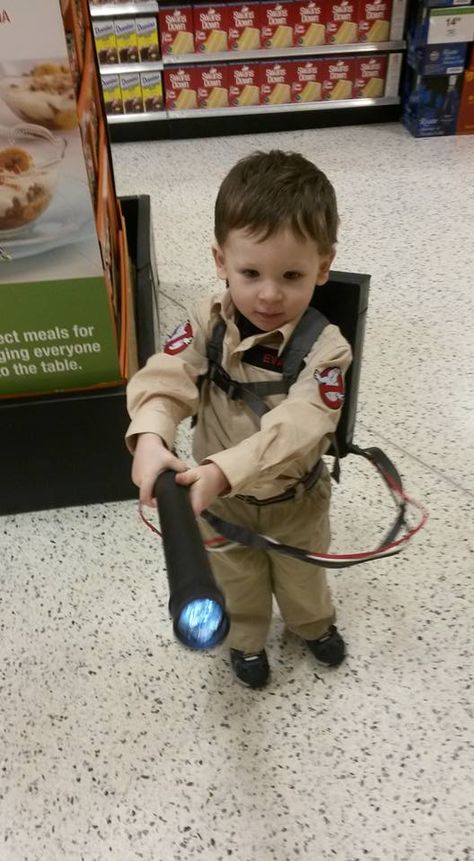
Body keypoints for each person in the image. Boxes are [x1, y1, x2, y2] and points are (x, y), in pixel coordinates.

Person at [126, 150, 352, 689]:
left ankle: (312, 625)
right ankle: (246, 642)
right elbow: (167, 376)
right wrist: (152, 434)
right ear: (220, 260)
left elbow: (299, 424)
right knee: (234, 578)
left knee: (304, 572)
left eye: (292, 274)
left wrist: (223, 469)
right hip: (222, 503)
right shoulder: (208, 321)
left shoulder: (327, 349)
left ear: (323, 267)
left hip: (294, 499)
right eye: (250, 272)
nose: (269, 294)